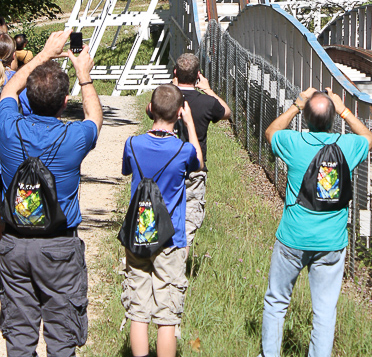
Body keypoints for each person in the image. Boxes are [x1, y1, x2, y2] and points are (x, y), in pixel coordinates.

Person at [0, 28, 102, 357]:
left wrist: (44, 54)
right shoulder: (75, 138)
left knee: (18, 334)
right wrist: (83, 74)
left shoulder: (8, 128)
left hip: (13, 245)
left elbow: (8, 91)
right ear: (64, 103)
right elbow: (95, 117)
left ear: (27, 98)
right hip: (59, 246)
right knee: (61, 336)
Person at [258, 87, 372, 357]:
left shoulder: (294, 143)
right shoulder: (347, 147)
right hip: (331, 242)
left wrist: (296, 105)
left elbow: (270, 133)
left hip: (293, 237)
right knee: (324, 311)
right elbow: (369, 138)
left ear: (306, 120)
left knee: (276, 301)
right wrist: (343, 109)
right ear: (333, 119)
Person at [121, 84, 202, 357]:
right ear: (180, 113)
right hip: (171, 238)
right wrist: (189, 125)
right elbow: (198, 164)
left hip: (138, 235)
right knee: (167, 314)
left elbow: (126, 169)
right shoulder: (183, 151)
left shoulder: (132, 144)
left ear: (149, 109)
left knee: (138, 311)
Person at [172, 54, 230, 249]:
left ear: (175, 73)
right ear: (198, 75)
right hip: (195, 166)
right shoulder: (206, 103)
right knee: (188, 222)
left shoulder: (166, 99)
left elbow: (150, 108)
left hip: (168, 164)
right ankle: (179, 260)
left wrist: (170, 88)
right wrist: (207, 89)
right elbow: (226, 112)